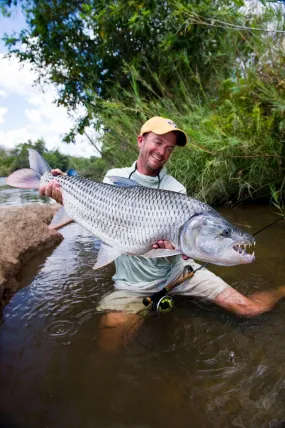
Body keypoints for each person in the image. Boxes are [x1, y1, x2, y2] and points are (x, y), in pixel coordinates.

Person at [40, 116, 285, 350]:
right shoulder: (113, 178)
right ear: (141, 141)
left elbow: (187, 247)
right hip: (132, 284)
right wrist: (66, 193)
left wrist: (186, 252)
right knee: (111, 341)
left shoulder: (176, 189)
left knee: (249, 309)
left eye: (169, 148)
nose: (162, 152)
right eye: (158, 142)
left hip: (178, 273)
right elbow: (96, 219)